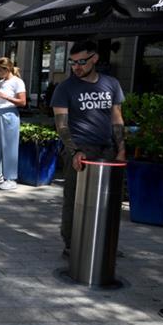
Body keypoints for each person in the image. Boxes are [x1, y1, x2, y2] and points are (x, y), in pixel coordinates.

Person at [51, 40, 125, 255]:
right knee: (74, 198)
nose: (76, 67)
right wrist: (74, 150)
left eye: (82, 62)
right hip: (80, 147)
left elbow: (117, 117)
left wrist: (121, 148)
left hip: (107, 148)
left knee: (109, 199)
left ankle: (104, 241)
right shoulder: (64, 88)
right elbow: (61, 125)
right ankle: (71, 243)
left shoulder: (111, 84)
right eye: (72, 62)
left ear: (95, 58)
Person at [0, 57, 26, 190]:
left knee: (9, 147)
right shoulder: (2, 81)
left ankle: (11, 178)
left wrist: (5, 97)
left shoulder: (17, 82)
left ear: (7, 69)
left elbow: (23, 102)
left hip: (9, 114)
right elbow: (0, 98)